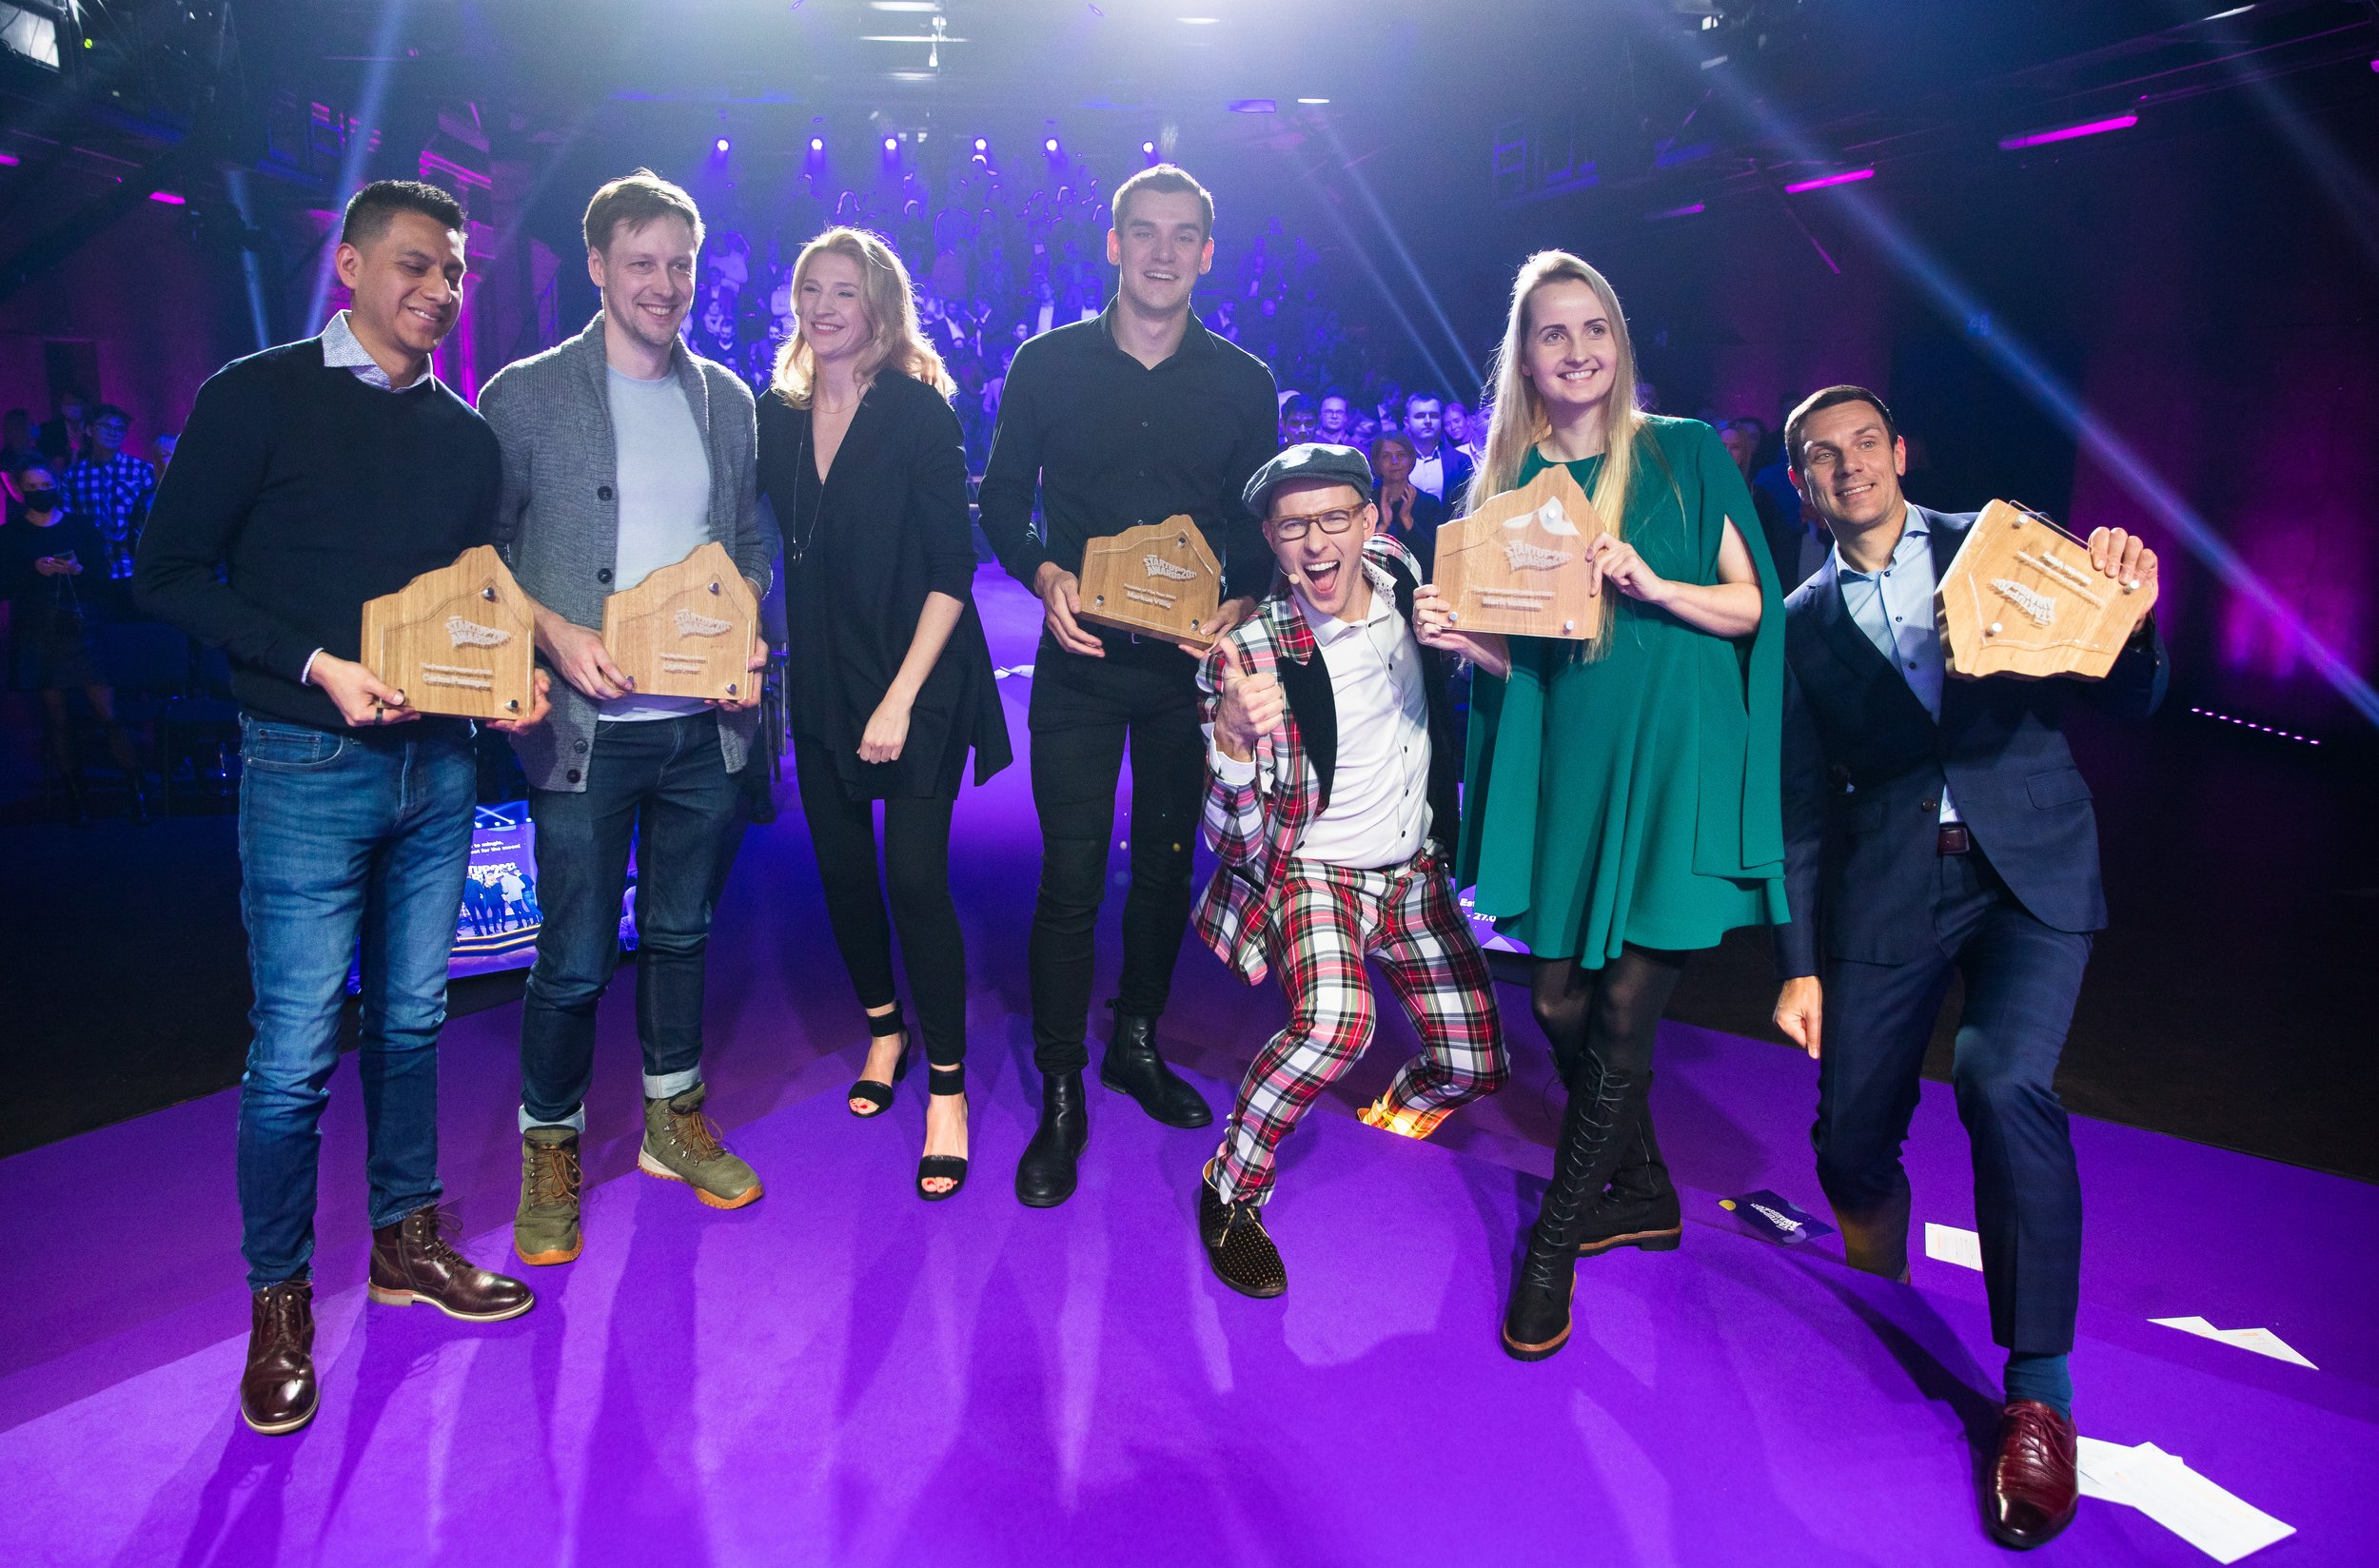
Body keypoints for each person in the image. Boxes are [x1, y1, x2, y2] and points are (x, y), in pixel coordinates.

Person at [134, 179, 547, 1437]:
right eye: (415, 264)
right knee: (296, 1054)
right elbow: (167, 574)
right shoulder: (255, 396)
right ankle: (280, 1303)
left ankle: (405, 1244)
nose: (440, 289)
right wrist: (317, 666)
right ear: (351, 267)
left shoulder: (466, 438)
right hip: (304, 763)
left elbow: (470, 599)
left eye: (455, 271)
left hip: (440, 766)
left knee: (414, 1024)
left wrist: (508, 683)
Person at [1768, 385, 2167, 1550]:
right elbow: (1799, 807)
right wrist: (1798, 965)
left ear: (1900, 451)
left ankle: (2038, 1397)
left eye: (1864, 443)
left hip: (2030, 869)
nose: (1849, 466)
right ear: (1801, 483)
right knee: (1848, 1144)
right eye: (1822, 456)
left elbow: (2132, 692)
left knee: (2001, 1078)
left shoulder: (1999, 540)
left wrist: (2135, 619)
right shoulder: (1798, 623)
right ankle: (1879, 1288)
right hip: (1890, 887)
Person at [1413, 250, 1786, 1362]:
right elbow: (1523, 663)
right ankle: (1647, 1189)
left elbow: (1750, 605)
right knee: (1559, 1000)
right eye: (1552, 334)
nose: (1576, 351)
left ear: (1618, 343)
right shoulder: (1507, 491)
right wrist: (1462, 639)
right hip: (1574, 762)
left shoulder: (1683, 453)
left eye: (1595, 329)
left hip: (1676, 751)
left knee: (1624, 1007)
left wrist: (1653, 584)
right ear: (1524, 359)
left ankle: (1553, 1242)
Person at [480, 169, 774, 1267]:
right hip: (581, 734)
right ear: (597, 266)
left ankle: (671, 1121)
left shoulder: (726, 399)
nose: (664, 284)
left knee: (683, 935)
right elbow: (481, 553)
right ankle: (549, 1150)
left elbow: (746, 541)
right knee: (572, 959)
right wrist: (554, 632)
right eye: (641, 262)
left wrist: (746, 629)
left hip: (702, 727)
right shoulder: (522, 395)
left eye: (680, 264)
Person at [978, 163, 1279, 1208]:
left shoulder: (1244, 381)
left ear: (1206, 252)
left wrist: (1244, 597)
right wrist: (1042, 573)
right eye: (1143, 231)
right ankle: (1061, 1086)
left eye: (1182, 234)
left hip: (1185, 675)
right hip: (1081, 664)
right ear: (1113, 245)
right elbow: (1000, 500)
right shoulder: (1046, 363)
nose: (1162, 251)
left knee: (1163, 868)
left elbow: (1257, 524)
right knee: (1069, 881)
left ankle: (1134, 1043)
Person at [1191, 444, 1506, 1296]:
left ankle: (1392, 1114)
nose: (1316, 541)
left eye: (1334, 517)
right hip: (1314, 872)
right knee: (1336, 1023)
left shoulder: (1405, 577)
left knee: (1475, 1063)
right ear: (1270, 539)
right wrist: (1231, 743)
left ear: (1370, 521)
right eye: (1293, 526)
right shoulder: (1247, 656)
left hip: (1416, 872)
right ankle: (1231, 1186)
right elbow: (1231, 842)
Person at [757, 226, 1012, 1201]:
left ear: (879, 307)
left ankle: (946, 1087)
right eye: (811, 289)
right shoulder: (777, 418)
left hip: (919, 677)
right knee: (842, 874)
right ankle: (883, 1031)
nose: (825, 308)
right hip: (823, 679)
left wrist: (900, 700)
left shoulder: (916, 411)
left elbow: (954, 570)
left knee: (913, 878)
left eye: (845, 292)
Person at [3, 457, 147, 822]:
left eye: (45, 485)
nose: (40, 492)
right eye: (32, 487)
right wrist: (33, 570)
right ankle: (76, 799)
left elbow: (103, 580)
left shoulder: (80, 527)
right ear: (20, 490)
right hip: (38, 630)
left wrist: (78, 569)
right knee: (58, 719)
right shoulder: (11, 534)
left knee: (108, 713)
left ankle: (137, 792)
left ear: (56, 485)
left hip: (82, 626)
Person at [60, 402, 157, 581]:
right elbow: (68, 520)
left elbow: (153, 518)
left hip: (134, 565)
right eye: (106, 426)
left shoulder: (142, 470)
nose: (114, 432)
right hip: (90, 566)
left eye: (119, 428)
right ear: (89, 430)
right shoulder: (73, 475)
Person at [1368, 429, 1448, 577]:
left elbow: (1435, 559)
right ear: (1377, 463)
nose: (1394, 461)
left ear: (1411, 460)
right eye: (1386, 456)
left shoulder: (1429, 504)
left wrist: (1407, 519)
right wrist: (1383, 525)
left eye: (1401, 455)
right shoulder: (1367, 503)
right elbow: (1359, 557)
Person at [1402, 391, 1475, 508]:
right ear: (1407, 422)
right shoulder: (1395, 462)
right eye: (1420, 416)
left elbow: (1471, 505)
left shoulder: (1460, 461)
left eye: (1434, 415)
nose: (1428, 421)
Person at [34, 389, 88, 467]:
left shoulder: (93, 428)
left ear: (84, 405)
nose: (70, 407)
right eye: (66, 403)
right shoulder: (49, 429)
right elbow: (43, 456)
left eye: (74, 403)